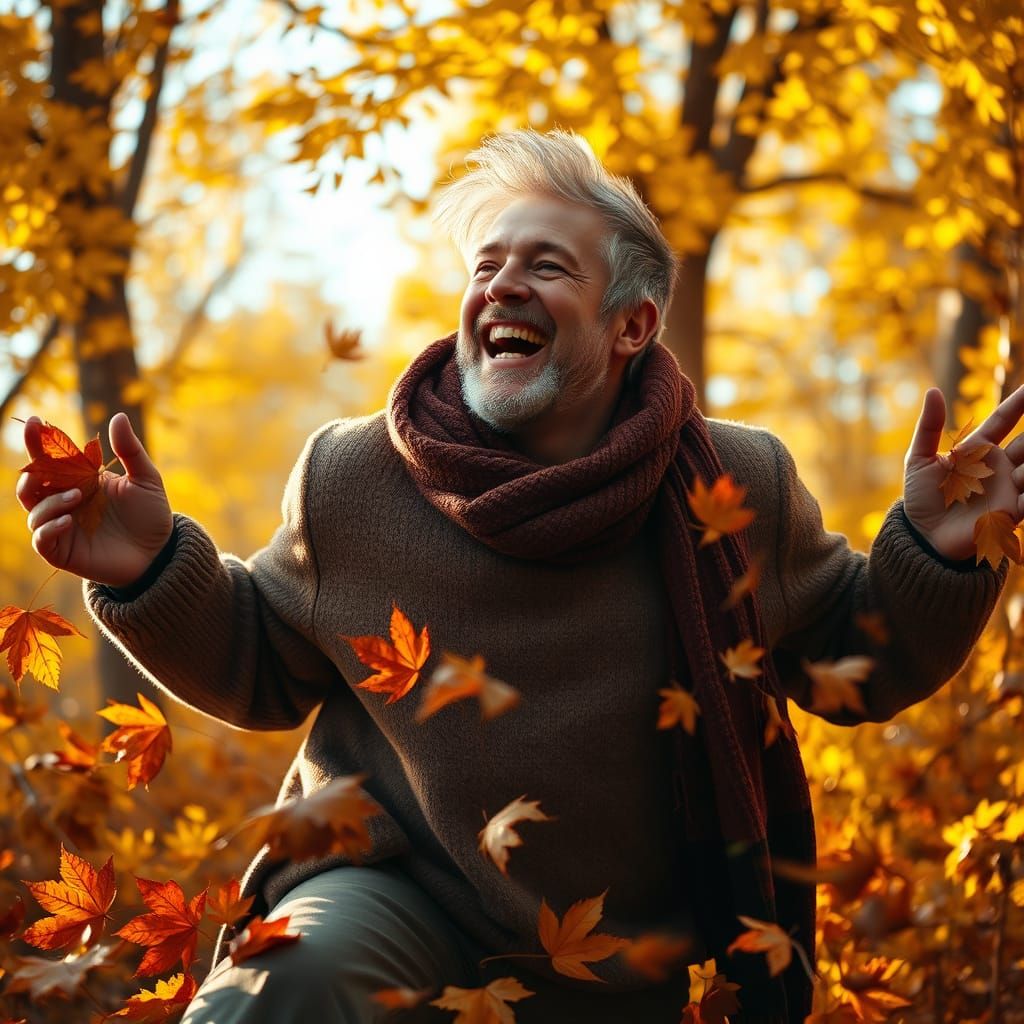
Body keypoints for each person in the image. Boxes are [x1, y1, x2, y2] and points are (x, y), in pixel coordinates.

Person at [16, 129, 1023, 1024]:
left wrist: (937, 549)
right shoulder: (351, 475)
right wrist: (151, 568)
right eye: (486, 262)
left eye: (546, 265)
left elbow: (854, 653)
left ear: (632, 326)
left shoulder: (736, 482)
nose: (500, 284)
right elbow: (259, 663)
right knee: (292, 979)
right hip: (399, 894)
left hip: (644, 951)